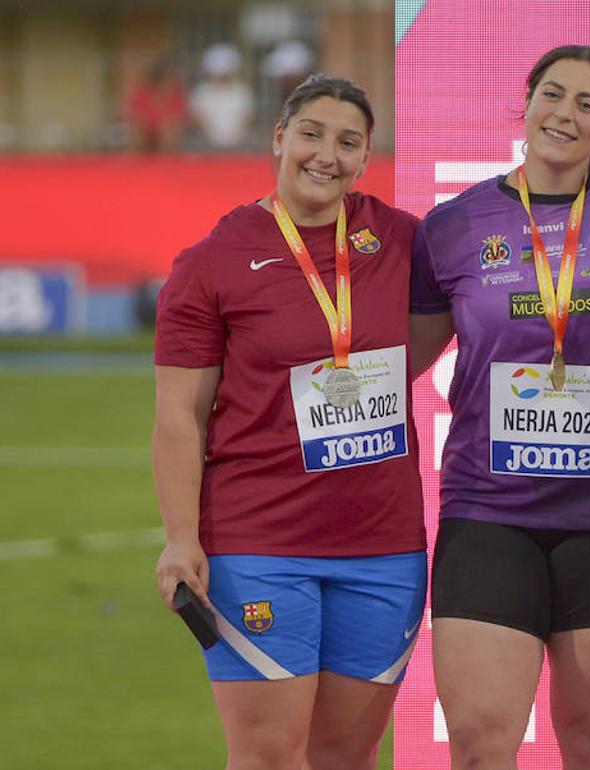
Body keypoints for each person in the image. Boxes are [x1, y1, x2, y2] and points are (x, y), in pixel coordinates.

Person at [408, 45, 590, 770]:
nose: (564, 113)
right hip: (490, 516)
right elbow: (396, 362)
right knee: (479, 747)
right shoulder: (454, 225)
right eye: (552, 94)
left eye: (587, 104)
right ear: (527, 101)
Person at [152, 74, 425, 770]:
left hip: (383, 550)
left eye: (347, 142)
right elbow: (179, 417)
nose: (325, 155)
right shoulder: (212, 261)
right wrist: (181, 540)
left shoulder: (404, 243)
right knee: (270, 757)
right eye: (311, 133)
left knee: (347, 757)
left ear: (365, 159)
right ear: (279, 138)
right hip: (258, 545)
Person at [189, 43, 255, 150]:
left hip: (238, 146)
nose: (222, 75)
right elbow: (197, 120)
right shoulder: (201, 92)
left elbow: (246, 120)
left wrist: (235, 140)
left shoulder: (242, 92)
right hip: (206, 147)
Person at [124, 54, 187, 153]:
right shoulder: (141, 92)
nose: (171, 82)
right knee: (137, 130)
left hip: (165, 132)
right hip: (145, 131)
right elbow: (132, 113)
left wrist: (163, 125)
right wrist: (147, 125)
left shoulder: (176, 94)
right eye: (168, 78)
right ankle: (134, 164)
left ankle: (165, 164)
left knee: (169, 131)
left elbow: (179, 117)